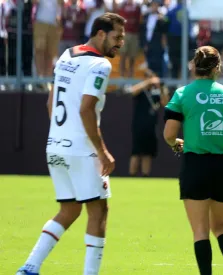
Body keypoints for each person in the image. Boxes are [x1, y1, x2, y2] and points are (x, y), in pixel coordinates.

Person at [16, 13, 125, 275]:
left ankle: (29, 267)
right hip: (82, 149)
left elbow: (49, 103)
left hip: (56, 146)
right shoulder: (100, 65)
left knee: (69, 209)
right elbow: (86, 110)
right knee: (99, 211)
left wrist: (63, 135)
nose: (121, 42)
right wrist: (102, 152)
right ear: (100, 33)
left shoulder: (66, 55)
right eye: (117, 36)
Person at [163, 46, 223, 275]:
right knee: (221, 226)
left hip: (195, 165)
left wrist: (176, 143)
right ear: (217, 67)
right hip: (222, 166)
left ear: (193, 66)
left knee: (200, 230)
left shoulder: (182, 94)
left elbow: (169, 134)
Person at [127, 73, 169, 177]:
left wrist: (162, 87)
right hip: (138, 126)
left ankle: (146, 176)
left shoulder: (156, 94)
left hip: (151, 127)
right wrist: (148, 82)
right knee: (136, 153)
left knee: (148, 153)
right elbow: (132, 91)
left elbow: (165, 103)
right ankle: (132, 175)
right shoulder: (141, 92)